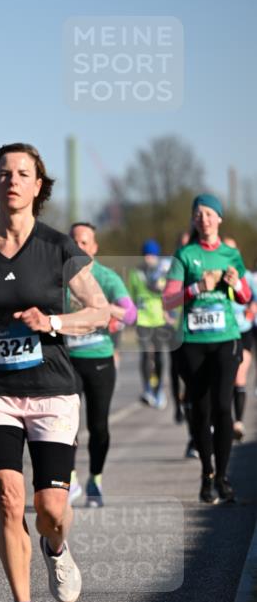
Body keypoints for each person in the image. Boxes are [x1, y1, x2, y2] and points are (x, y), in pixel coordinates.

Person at [0, 143, 110, 602]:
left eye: (23, 173)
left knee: (51, 509)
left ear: (38, 186)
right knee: (8, 497)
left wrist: (53, 321)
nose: (12, 181)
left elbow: (100, 311)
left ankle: (55, 549)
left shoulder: (58, 247)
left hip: (52, 390)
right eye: (3, 173)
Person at [164, 194, 252, 503]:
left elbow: (244, 296)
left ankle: (224, 477)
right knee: (200, 411)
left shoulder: (231, 254)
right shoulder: (184, 255)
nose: (204, 219)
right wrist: (196, 288)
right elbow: (168, 300)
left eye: (209, 213)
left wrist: (235, 283)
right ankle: (207, 473)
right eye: (198, 214)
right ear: (193, 219)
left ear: (219, 218)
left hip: (226, 340)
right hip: (193, 344)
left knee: (222, 407)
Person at [66, 223, 137, 507]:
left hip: (99, 359)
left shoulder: (107, 278)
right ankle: (70, 479)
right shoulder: (56, 276)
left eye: (85, 242)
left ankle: (95, 478)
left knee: (98, 426)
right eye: (74, 241)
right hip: (66, 360)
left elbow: (130, 314)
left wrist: (103, 310)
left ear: (94, 247)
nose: (79, 247)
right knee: (65, 424)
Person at [128, 240, 171, 408]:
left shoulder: (163, 273)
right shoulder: (135, 273)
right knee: (146, 354)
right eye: (146, 254)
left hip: (160, 319)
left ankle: (158, 390)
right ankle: (147, 389)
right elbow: (131, 296)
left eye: (152, 255)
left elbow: (169, 293)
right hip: (143, 319)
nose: (148, 258)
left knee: (159, 356)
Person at [222, 237, 257, 441]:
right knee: (224, 378)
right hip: (222, 332)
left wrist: (251, 310)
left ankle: (238, 422)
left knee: (239, 374)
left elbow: (255, 298)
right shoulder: (216, 273)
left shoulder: (247, 276)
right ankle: (223, 420)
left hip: (243, 331)